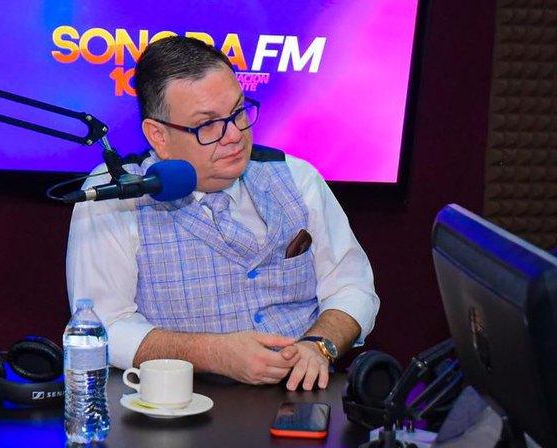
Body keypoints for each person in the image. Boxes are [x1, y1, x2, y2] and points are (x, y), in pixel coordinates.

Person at [66, 36, 379, 391]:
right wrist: (212, 354)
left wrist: (318, 345)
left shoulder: (297, 177)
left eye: (238, 112)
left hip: (301, 396)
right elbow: (104, 325)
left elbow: (352, 287)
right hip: (178, 401)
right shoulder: (118, 194)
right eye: (208, 125)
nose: (234, 136)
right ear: (158, 136)